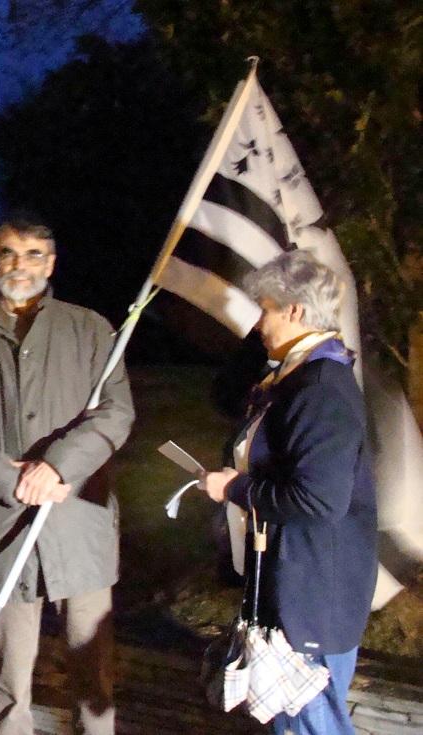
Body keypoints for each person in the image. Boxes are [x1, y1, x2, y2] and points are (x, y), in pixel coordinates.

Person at [0, 216, 135, 735]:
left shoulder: (90, 328)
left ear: (51, 263)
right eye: (7, 253)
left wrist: (57, 465)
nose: (19, 265)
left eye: (32, 255)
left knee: (93, 673)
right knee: (7, 681)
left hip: (78, 518)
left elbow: (115, 413)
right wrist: (12, 480)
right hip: (2, 524)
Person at [199, 250, 377, 735]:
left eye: (266, 309)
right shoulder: (292, 377)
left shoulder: (321, 387)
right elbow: (226, 393)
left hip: (314, 595)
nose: (259, 324)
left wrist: (235, 487)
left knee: (312, 726)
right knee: (297, 724)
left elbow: (319, 502)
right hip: (296, 583)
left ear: (294, 312)